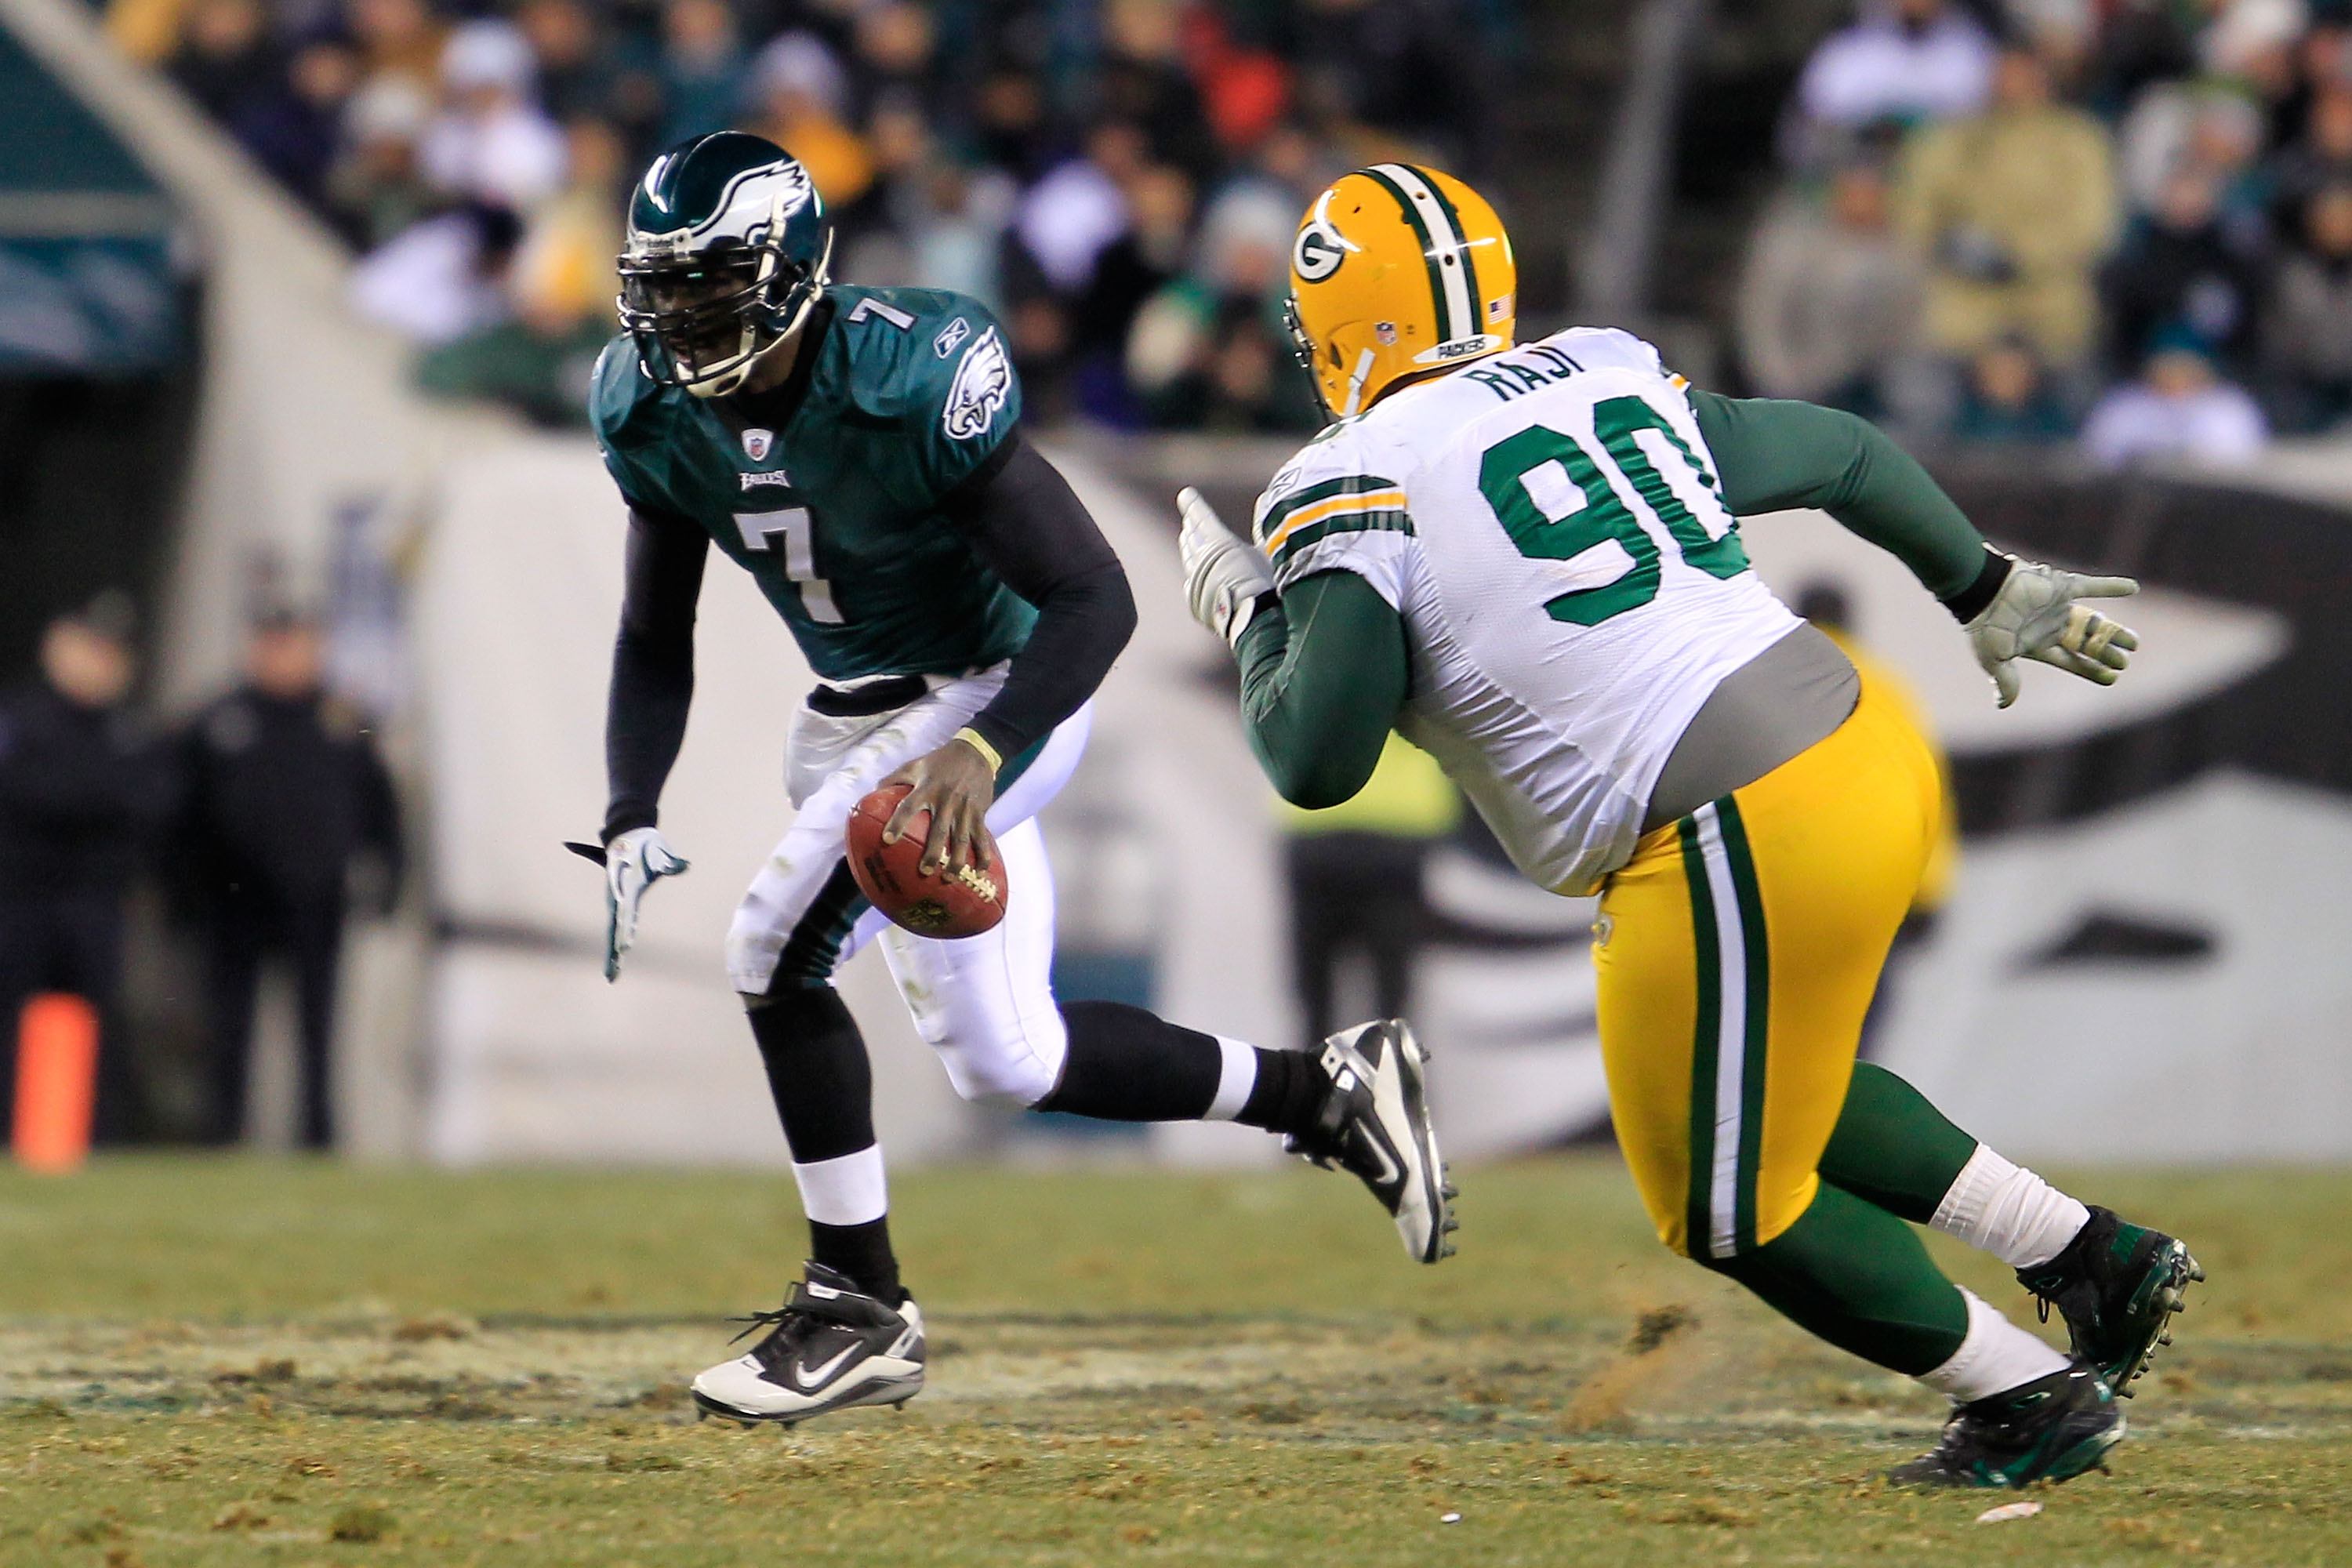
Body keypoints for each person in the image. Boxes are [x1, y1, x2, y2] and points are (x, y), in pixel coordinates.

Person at [1178, 162, 2202, 1489]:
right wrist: (1983, 581)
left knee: (1725, 1200)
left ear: (1344, 322)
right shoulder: (1596, 371)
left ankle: (2030, 1394)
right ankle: (2092, 1257)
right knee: (1778, 1101)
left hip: (1727, 815)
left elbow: (1313, 759)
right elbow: (1840, 452)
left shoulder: (1350, 474)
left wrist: (1246, 613)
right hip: (1858, 748)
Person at [584, 132, 1451, 1430]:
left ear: (791, 270)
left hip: (992, 695)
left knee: (772, 947)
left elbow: (1094, 596)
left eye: (713, 282)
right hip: (847, 719)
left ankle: (856, 1304)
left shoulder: (905, 369)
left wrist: (984, 753)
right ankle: (1325, 1093)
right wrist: (629, 805)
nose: (685, 317)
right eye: (666, 287)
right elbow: (657, 632)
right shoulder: (649, 407)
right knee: (1010, 1058)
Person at [175, 610, 403, 1149]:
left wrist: (389, 874)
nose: (285, 657)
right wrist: (183, 894)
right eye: (274, 645)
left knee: (318, 1030)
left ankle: (317, 1137)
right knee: (229, 1025)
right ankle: (221, 1134)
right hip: (234, 899)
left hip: (316, 898)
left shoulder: (349, 719)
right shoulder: (217, 719)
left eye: (298, 644)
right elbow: (184, 814)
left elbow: (381, 805)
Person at [0, 595, 170, 1145]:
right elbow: (29, 794)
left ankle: (95, 1140)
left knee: (98, 1024)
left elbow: (154, 803)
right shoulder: (19, 717)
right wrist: (94, 801)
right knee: (11, 1017)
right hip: (21, 893)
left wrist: (77, 801)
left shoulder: (133, 728)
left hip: (97, 897)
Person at [1280, 733, 1457, 1051]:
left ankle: (1316, 1086)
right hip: (1400, 826)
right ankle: (1389, 1083)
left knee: (1314, 996)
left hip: (1316, 822)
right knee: (1392, 995)